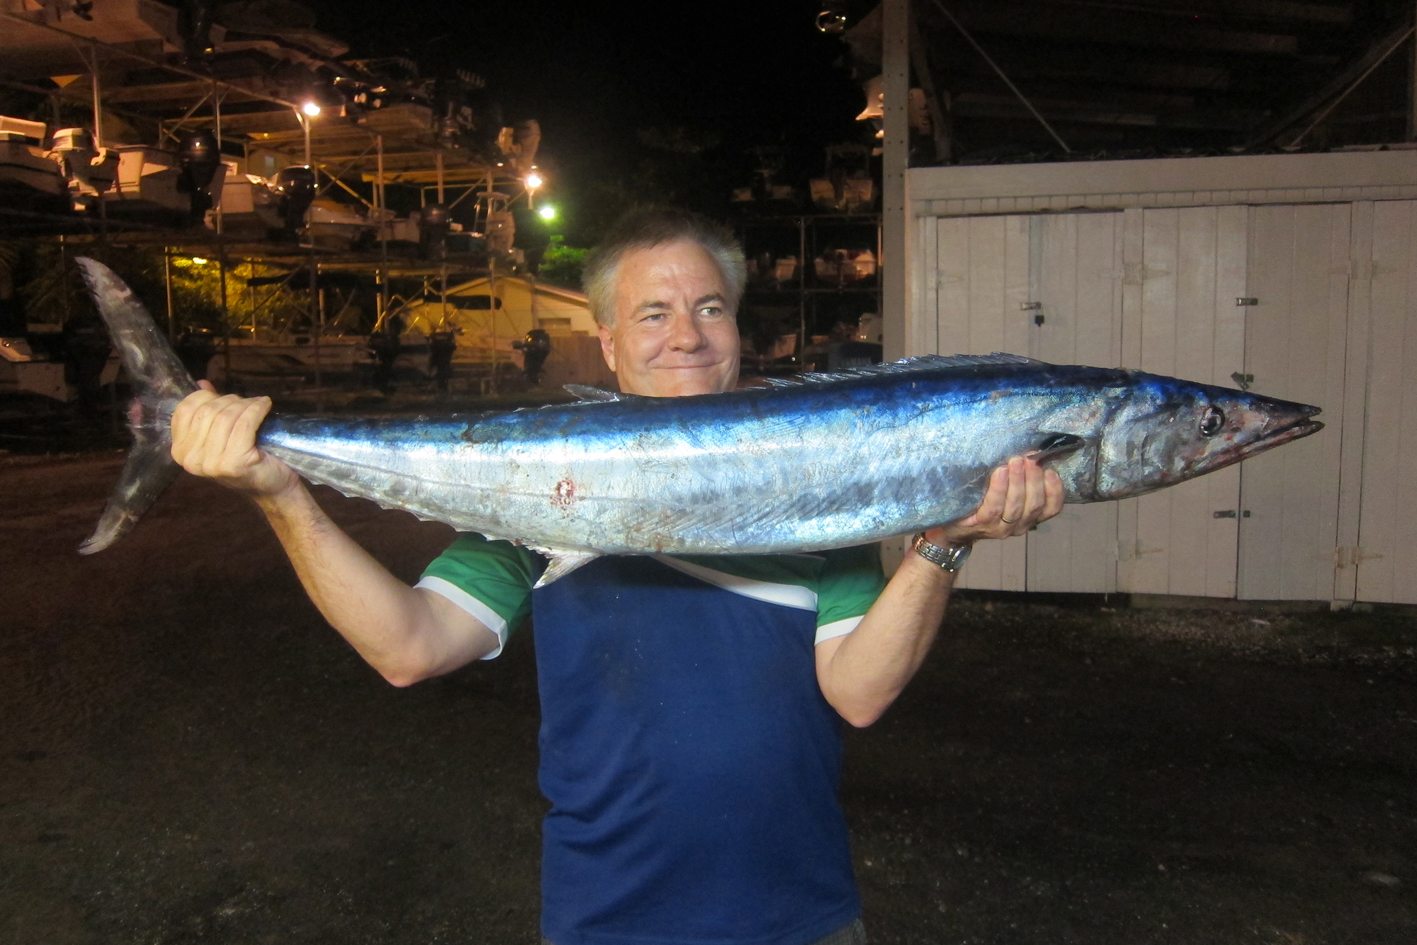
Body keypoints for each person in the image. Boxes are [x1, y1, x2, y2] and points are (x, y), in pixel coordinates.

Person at [169, 207, 1063, 945]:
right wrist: (281, 494)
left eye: (710, 308)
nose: (686, 335)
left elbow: (859, 693)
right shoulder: (543, 494)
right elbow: (408, 647)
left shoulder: (818, 495)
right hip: (609, 920)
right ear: (604, 341)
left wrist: (944, 539)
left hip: (800, 914)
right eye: (652, 314)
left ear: (737, 328)